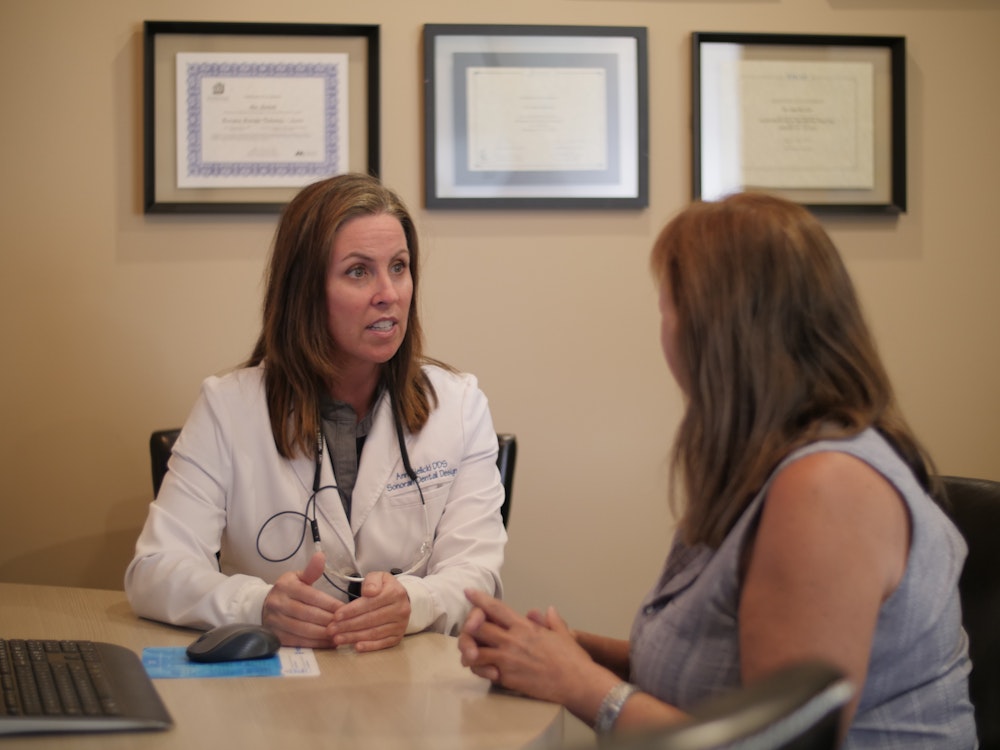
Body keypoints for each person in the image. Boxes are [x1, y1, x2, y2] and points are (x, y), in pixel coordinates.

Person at [458, 192, 976, 747]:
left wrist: (578, 682)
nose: (663, 328)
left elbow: (776, 742)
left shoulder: (828, 488)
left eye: (668, 304)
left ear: (717, 330)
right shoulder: (766, 466)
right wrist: (562, 651)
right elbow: (723, 675)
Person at [126, 173, 507, 653]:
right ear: (304, 290)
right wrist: (257, 605)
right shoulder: (229, 409)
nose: (389, 292)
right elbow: (153, 572)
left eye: (399, 266)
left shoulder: (459, 407)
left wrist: (416, 602)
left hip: (412, 684)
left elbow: (479, 578)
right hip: (274, 694)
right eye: (358, 271)